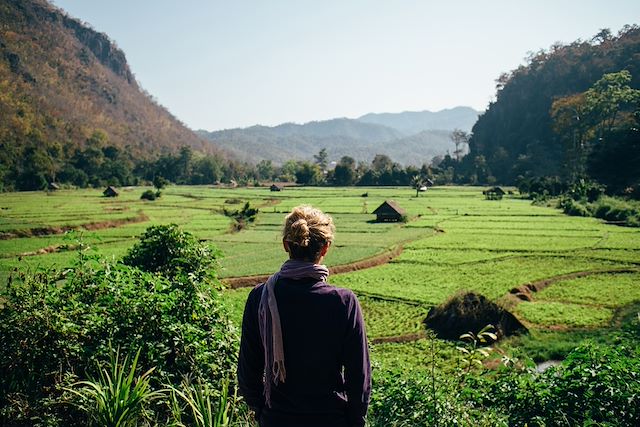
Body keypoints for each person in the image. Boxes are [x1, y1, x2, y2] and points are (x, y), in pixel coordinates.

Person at [238, 205, 371, 427]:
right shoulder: (343, 302)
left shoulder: (261, 297)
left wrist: (263, 413)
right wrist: (354, 421)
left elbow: (247, 373)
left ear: (286, 245)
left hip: (277, 420)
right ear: (325, 248)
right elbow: (359, 378)